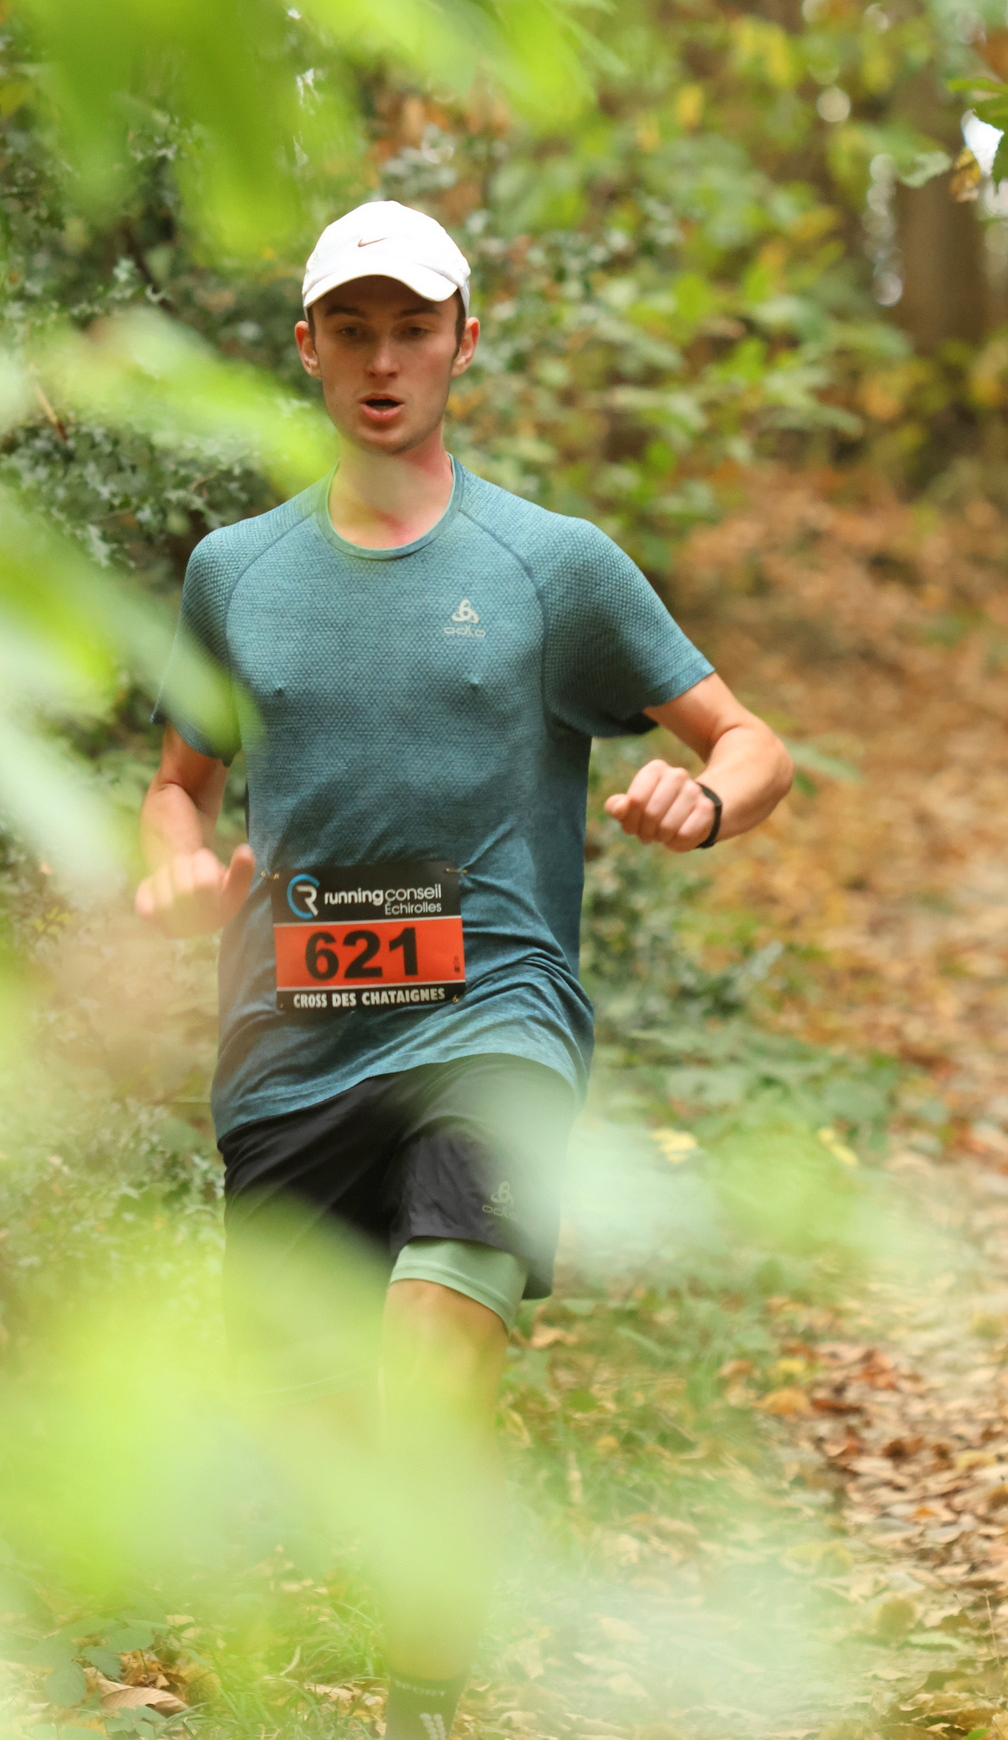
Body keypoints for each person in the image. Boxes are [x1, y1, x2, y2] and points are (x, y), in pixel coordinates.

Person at [136, 199, 793, 1740]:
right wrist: (172, 861)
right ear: (307, 349)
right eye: (353, 330)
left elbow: (750, 740)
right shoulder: (236, 573)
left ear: (462, 343)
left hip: (492, 1021)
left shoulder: (551, 565)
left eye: (412, 329)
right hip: (288, 1048)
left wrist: (706, 801)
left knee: (432, 1377)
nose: (384, 361)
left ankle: (421, 1711)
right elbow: (180, 782)